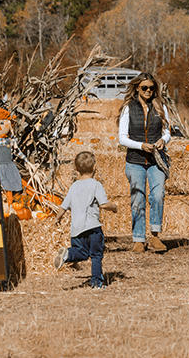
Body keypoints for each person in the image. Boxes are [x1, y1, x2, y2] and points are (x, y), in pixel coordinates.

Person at [118, 73, 171, 253]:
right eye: (144, 88)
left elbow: (167, 131)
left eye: (151, 88)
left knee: (158, 194)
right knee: (137, 198)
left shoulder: (161, 107)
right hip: (135, 160)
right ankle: (138, 239)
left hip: (156, 159)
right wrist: (141, 145)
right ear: (137, 89)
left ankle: (155, 236)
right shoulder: (128, 108)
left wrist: (163, 140)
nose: (148, 91)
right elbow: (122, 138)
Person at [53, 151, 118, 289]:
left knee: (81, 252)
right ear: (95, 167)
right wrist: (114, 207)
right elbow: (103, 204)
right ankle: (96, 284)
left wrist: (57, 219)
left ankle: (68, 254)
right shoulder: (95, 184)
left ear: (76, 169)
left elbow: (63, 206)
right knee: (96, 255)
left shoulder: (74, 186)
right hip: (92, 228)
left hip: (76, 229)